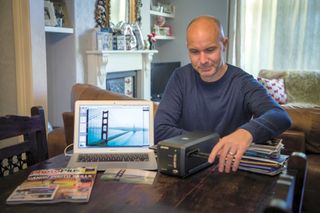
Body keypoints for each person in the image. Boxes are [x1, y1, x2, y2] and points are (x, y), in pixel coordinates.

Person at [154, 15, 291, 173]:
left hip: (227, 170)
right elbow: (160, 130)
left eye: (210, 50)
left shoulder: (243, 82)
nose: (203, 60)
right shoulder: (179, 78)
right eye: (194, 52)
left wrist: (247, 133)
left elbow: (280, 115)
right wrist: (218, 143)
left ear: (224, 44)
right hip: (186, 167)